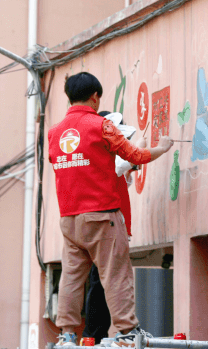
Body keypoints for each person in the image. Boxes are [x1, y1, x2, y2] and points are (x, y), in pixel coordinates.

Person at [49, 72, 173, 347]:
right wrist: (162, 148)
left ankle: (67, 333)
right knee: (116, 275)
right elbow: (135, 156)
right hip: (102, 215)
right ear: (95, 97)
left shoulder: (54, 133)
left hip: (69, 218)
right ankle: (127, 329)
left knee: (71, 277)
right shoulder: (102, 125)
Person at [81, 111, 142, 343]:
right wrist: (139, 149)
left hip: (113, 227)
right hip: (106, 227)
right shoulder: (105, 159)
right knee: (104, 281)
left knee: (106, 280)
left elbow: (123, 172)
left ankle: (98, 333)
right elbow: (121, 165)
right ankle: (95, 334)